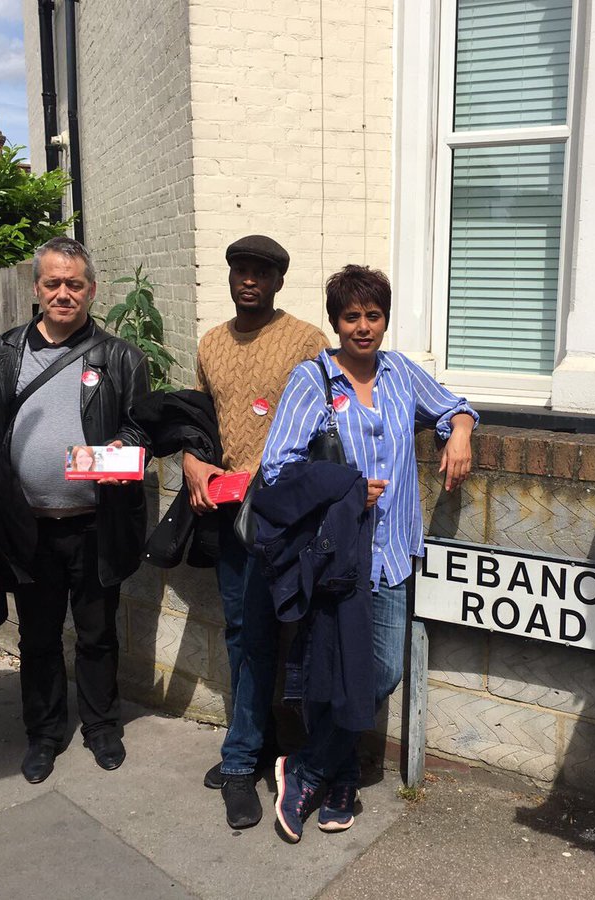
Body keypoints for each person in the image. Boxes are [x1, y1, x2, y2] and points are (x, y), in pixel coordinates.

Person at [260, 264, 476, 842]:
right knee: (333, 671)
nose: (363, 327)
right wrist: (348, 487)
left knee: (380, 671)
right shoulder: (312, 380)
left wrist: (459, 431)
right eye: (351, 316)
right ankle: (339, 779)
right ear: (336, 321)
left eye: (373, 316)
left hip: (394, 554)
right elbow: (278, 467)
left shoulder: (401, 371)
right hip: (338, 558)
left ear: (385, 320)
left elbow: (454, 405)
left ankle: (308, 767)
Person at [0, 236, 151, 783]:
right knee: (38, 636)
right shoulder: (4, 353)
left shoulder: (121, 357)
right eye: (52, 283)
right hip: (29, 526)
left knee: (97, 634)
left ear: (92, 290)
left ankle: (101, 727)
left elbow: (142, 427)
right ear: (37, 288)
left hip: (95, 524)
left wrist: (122, 448)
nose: (63, 293)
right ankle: (44, 734)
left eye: (74, 284)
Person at [183, 235, 329, 829]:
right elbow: (198, 421)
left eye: (261, 272)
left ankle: (241, 760)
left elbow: (327, 424)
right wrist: (192, 461)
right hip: (227, 511)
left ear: (278, 282)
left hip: (282, 515)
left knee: (276, 634)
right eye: (240, 270)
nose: (249, 279)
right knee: (244, 631)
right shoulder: (212, 344)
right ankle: (256, 742)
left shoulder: (306, 341)